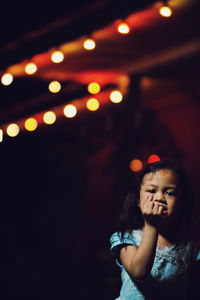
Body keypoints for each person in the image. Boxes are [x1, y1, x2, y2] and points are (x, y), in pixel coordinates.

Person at [110, 160, 200, 300]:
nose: (159, 198)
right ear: (139, 201)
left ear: (182, 202)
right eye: (152, 191)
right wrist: (152, 225)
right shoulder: (126, 239)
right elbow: (139, 273)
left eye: (170, 193)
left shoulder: (192, 246)